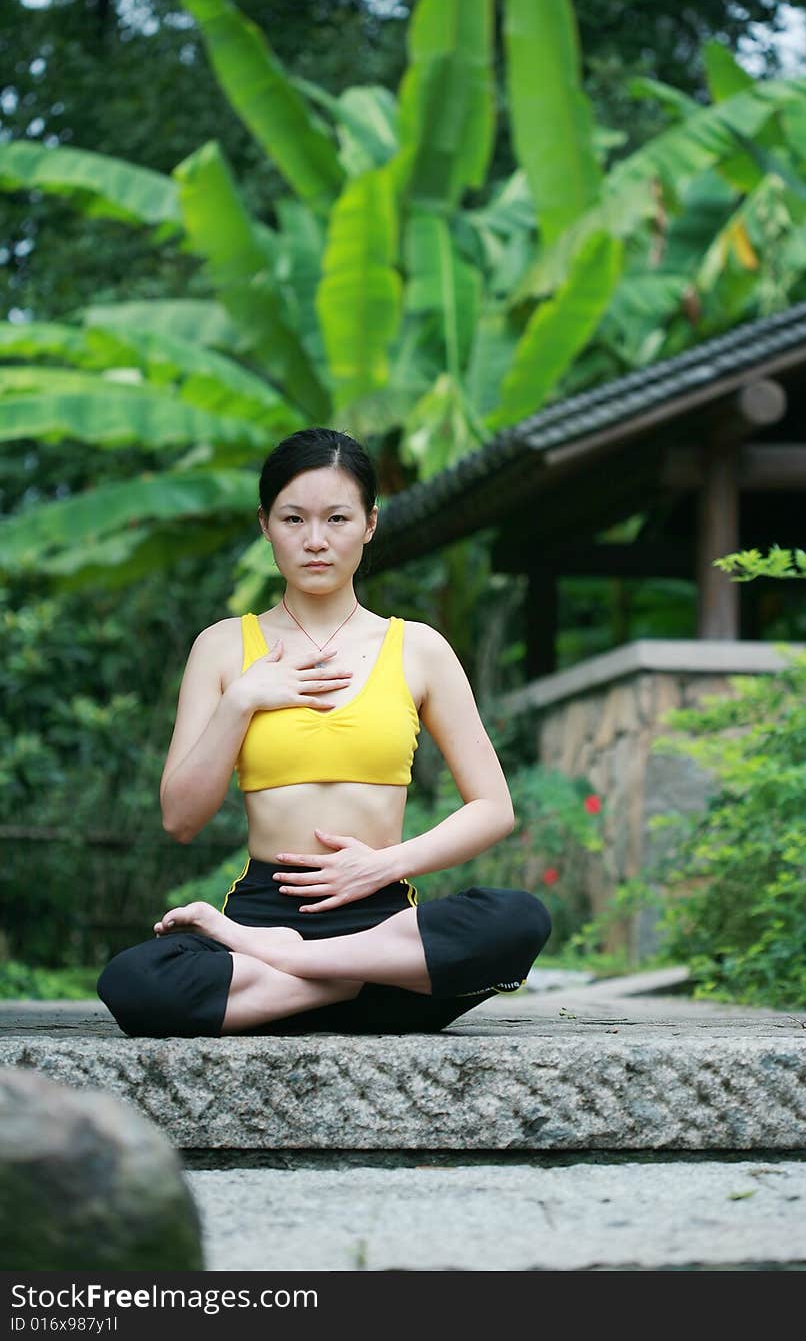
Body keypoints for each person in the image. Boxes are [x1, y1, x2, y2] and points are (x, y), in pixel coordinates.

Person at [97, 427, 551, 1037]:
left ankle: (304, 973)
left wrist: (383, 866)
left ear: (369, 523)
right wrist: (242, 701)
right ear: (265, 525)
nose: (315, 541)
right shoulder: (224, 647)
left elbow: (493, 808)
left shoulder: (419, 648)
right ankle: (344, 984)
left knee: (518, 920)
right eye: (293, 519)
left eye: (337, 518)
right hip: (269, 920)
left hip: (380, 926)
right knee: (132, 983)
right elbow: (181, 819)